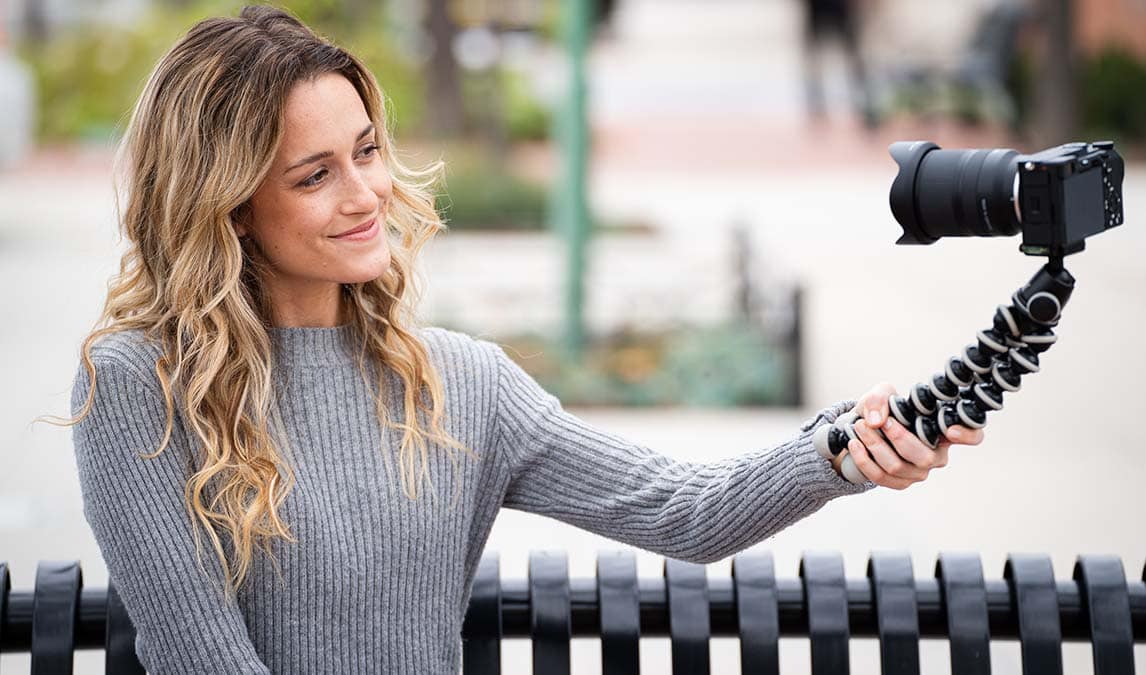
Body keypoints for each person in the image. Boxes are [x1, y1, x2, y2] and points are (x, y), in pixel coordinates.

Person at [64, 5, 983, 673]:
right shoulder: (135, 384)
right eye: (314, 175)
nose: (366, 192)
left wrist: (847, 447)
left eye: (369, 149)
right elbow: (204, 664)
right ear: (224, 205)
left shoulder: (459, 383)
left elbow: (685, 511)